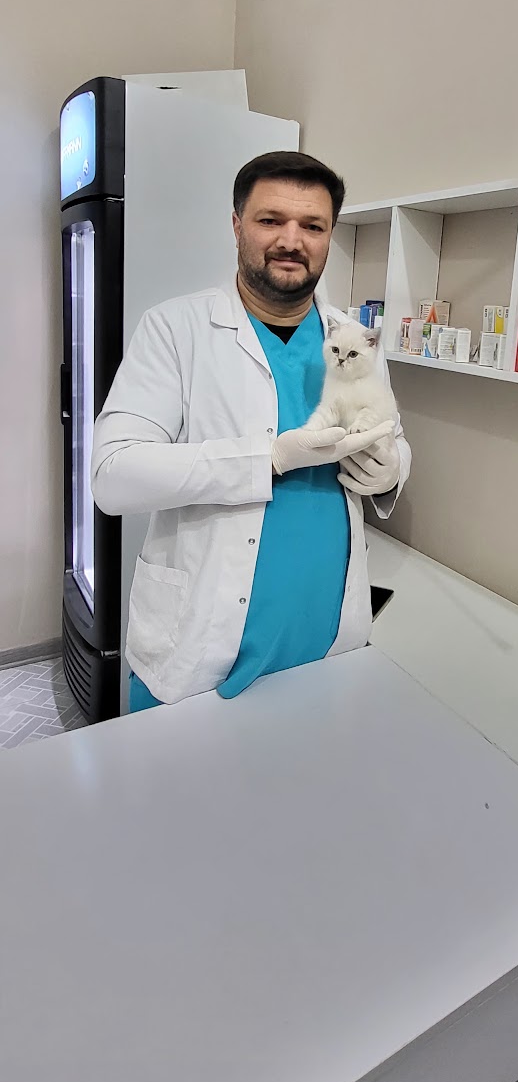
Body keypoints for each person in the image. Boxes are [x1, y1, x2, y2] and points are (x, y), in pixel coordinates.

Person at [91, 151, 410, 709]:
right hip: (200, 651)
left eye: (312, 226)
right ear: (237, 226)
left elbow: (391, 432)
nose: (292, 240)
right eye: (270, 220)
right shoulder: (175, 329)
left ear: (330, 237)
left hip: (326, 638)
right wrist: (268, 458)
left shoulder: (351, 338)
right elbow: (113, 476)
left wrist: (391, 472)